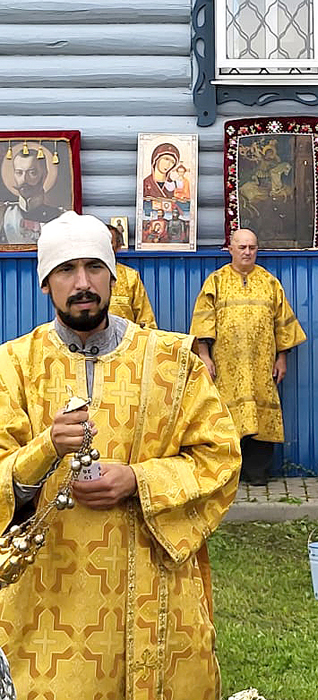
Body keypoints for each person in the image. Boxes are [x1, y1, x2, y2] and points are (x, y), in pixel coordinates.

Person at [0, 211, 241, 699]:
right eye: (66, 270)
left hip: (155, 589)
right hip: (49, 603)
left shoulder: (174, 362)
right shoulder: (13, 367)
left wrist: (138, 480)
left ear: (114, 276)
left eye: (94, 267)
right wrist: (46, 448)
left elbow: (220, 459)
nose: (82, 283)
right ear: (45, 283)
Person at [190, 228, 306, 486]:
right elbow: (203, 321)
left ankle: (257, 472)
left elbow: (283, 323)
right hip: (225, 365)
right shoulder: (216, 281)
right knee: (226, 416)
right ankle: (228, 472)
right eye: (242, 247)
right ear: (230, 249)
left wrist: (282, 358)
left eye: (252, 247)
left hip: (262, 364)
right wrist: (205, 356)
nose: (247, 252)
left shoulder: (269, 282)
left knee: (260, 415)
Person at [0, 149, 64, 244]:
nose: (24, 179)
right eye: (19, 173)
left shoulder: (58, 215)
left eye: (32, 173)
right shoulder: (4, 213)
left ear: (44, 175)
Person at [107, 224, 157, 328]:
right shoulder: (83, 278)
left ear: (118, 246)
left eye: (109, 242)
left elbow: (145, 319)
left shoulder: (131, 277)